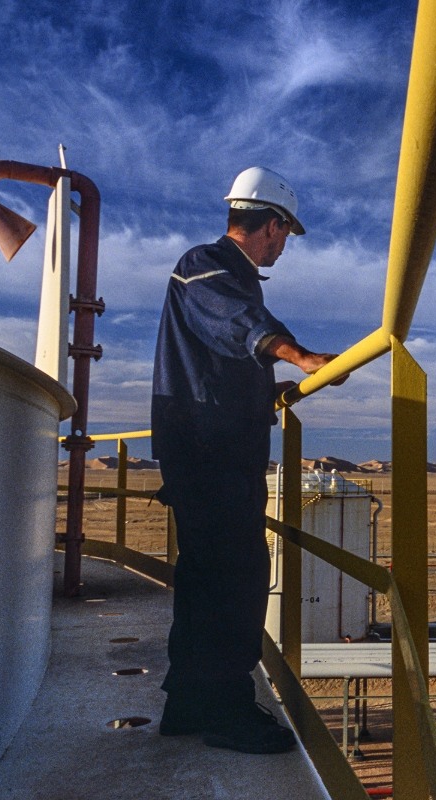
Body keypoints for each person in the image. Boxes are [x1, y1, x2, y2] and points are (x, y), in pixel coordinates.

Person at [151, 167, 344, 754]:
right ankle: (226, 711)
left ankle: (187, 704)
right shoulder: (206, 265)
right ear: (272, 223)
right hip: (210, 453)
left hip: (213, 449)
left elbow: (221, 361)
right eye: (286, 233)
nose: (285, 244)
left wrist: (271, 388)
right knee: (234, 580)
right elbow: (238, 324)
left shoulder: (229, 277)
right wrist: (299, 355)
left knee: (207, 579)